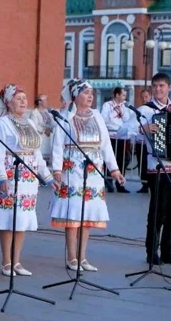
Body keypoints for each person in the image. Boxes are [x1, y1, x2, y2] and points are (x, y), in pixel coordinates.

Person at [50, 79, 126, 272]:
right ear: (75, 96)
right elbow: (57, 145)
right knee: (73, 215)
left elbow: (106, 144)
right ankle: (71, 258)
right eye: (86, 93)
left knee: (87, 216)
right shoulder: (65, 116)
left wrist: (114, 169)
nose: (90, 96)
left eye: (91, 93)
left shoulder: (97, 116)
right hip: (72, 171)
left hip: (93, 173)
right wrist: (57, 171)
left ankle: (83, 257)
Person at [0, 84, 55, 277]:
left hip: (28, 178)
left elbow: (37, 153)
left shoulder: (30, 123)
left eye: (25, 98)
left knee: (22, 219)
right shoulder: (2, 124)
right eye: (18, 98)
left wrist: (47, 177)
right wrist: (0, 177)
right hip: (10, 173)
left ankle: (16, 261)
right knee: (9, 219)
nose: (23, 101)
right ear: (8, 102)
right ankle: (6, 262)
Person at [136, 72, 171, 266]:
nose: (158, 89)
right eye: (155, 86)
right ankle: (152, 252)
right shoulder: (145, 111)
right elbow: (125, 130)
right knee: (158, 210)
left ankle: (168, 251)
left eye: (162, 86)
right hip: (157, 166)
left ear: (169, 88)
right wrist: (144, 128)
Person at [99, 87, 131, 193]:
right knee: (109, 159)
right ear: (117, 95)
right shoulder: (107, 105)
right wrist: (114, 112)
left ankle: (120, 183)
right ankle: (108, 183)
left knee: (122, 160)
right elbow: (104, 118)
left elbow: (127, 119)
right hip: (110, 136)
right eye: (123, 95)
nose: (124, 97)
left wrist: (122, 111)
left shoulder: (124, 106)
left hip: (121, 136)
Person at [29, 94, 54, 167]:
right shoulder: (34, 113)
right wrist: (44, 130)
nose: (47, 102)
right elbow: (33, 125)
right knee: (40, 158)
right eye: (45, 100)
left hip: (49, 138)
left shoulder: (48, 112)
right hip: (40, 137)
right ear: (39, 102)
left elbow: (52, 123)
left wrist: (52, 129)